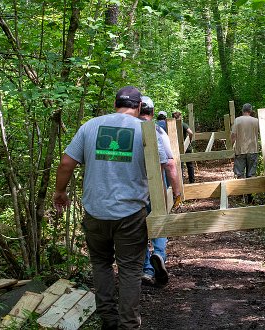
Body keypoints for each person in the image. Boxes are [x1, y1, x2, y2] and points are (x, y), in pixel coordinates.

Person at [52, 86, 168, 329]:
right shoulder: (146, 130)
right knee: (130, 269)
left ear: (115, 104)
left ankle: (108, 320)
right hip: (131, 214)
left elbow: (66, 162)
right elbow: (159, 169)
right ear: (138, 107)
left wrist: (60, 192)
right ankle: (128, 324)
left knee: (101, 265)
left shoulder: (91, 126)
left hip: (95, 211)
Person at [139, 96, 181, 286]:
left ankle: (147, 269)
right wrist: (177, 192)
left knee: (138, 229)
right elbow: (170, 165)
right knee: (159, 222)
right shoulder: (158, 131)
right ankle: (159, 254)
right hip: (155, 188)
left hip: (130, 191)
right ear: (153, 112)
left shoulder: (125, 131)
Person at [231, 103, 259, 203]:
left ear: (242, 110)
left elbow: (233, 135)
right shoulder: (256, 121)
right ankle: (250, 197)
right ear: (250, 111)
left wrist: (231, 146)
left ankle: (242, 196)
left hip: (240, 150)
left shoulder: (237, 120)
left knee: (240, 174)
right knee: (251, 174)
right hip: (253, 150)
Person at [172, 111, 195, 184]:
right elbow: (191, 132)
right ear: (180, 117)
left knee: (179, 166)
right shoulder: (183, 124)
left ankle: (180, 182)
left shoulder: (171, 125)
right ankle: (192, 181)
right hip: (186, 147)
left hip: (177, 148)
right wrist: (189, 140)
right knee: (190, 165)